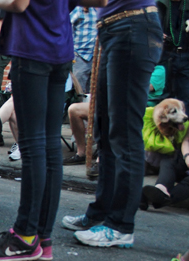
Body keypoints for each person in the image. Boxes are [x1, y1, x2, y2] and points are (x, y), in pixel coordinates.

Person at [0, 0, 102, 261]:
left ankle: (24, 236)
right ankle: (42, 238)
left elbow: (18, 4)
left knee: (33, 146)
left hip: (32, 46)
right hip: (59, 48)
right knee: (50, 145)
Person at [62, 1, 163, 248]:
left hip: (131, 26)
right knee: (105, 129)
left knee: (124, 132)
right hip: (116, 28)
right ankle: (101, 213)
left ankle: (120, 226)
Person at [157, 0, 189, 109]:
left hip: (185, 56)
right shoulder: (159, 3)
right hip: (164, 56)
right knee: (162, 97)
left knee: (186, 99)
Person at [70, 6, 98, 94]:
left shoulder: (100, 10)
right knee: (78, 91)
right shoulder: (79, 9)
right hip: (80, 55)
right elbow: (68, 28)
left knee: (93, 92)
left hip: (96, 56)